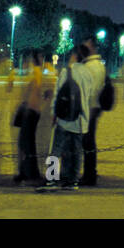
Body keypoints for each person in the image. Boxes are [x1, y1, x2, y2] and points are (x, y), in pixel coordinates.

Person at [41, 46, 94, 191]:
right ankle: (73, 181)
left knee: (56, 149)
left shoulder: (66, 72)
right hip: (80, 119)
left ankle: (51, 180)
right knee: (77, 151)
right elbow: (88, 96)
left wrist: (54, 113)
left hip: (64, 118)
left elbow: (58, 95)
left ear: (75, 56)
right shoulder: (89, 74)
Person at [12, 50, 48, 184]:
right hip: (30, 111)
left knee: (27, 143)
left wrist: (29, 105)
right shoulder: (35, 72)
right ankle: (24, 171)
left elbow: (37, 88)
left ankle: (30, 174)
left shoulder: (37, 72)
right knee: (24, 143)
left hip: (31, 111)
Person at [79, 38, 107, 187]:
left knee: (87, 142)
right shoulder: (99, 65)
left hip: (88, 107)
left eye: (86, 44)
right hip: (95, 106)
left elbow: (88, 89)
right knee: (89, 142)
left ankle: (89, 175)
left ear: (92, 47)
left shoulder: (90, 66)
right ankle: (91, 173)